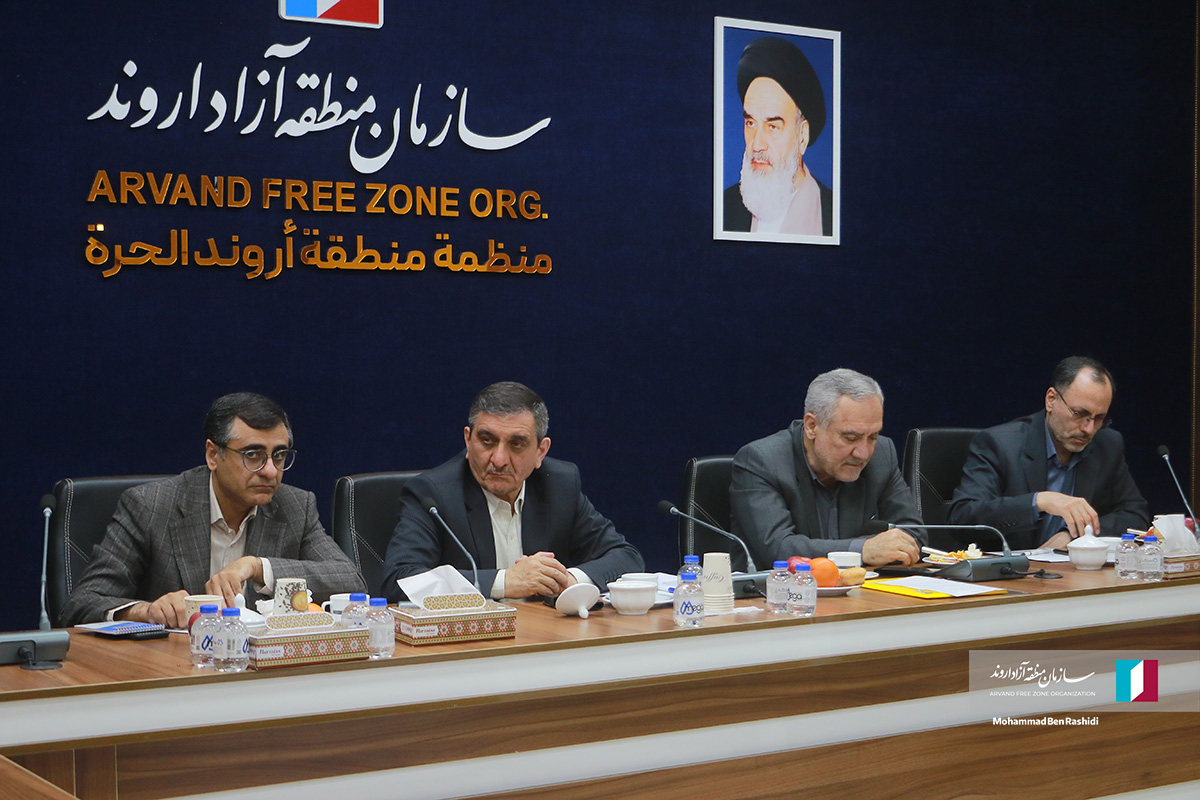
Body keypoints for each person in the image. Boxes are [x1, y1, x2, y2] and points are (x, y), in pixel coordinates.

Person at [59, 392, 366, 627]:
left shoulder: (295, 506)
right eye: (253, 455)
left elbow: (350, 581)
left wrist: (257, 566)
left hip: (261, 673)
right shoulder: (150, 506)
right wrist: (145, 611)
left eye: (279, 455)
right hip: (171, 672)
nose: (270, 471)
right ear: (212, 455)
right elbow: (82, 604)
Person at [380, 381, 644, 601]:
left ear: (541, 451)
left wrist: (567, 580)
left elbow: (627, 558)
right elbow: (399, 580)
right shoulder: (433, 494)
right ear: (468, 440)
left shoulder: (560, 485)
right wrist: (505, 581)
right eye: (487, 441)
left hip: (544, 636)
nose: (498, 459)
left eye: (516, 444)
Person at [948, 357, 1150, 550]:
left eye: (1099, 418)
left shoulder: (1107, 445)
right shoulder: (1000, 444)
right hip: (1012, 570)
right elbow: (963, 519)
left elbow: (1136, 515)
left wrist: (1077, 535)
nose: (1088, 429)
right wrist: (1038, 501)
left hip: (1074, 570)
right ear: (1051, 399)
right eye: (1079, 413)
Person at [730, 368, 924, 567]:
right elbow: (779, 549)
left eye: (873, 437)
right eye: (851, 438)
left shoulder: (882, 455)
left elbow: (914, 534)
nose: (864, 453)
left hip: (865, 586)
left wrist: (881, 547)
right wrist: (862, 550)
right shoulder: (762, 461)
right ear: (811, 426)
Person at [723, 36, 833, 236]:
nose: (756, 145)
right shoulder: (724, 207)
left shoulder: (831, 215)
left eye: (773, 126)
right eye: (750, 123)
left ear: (802, 136)